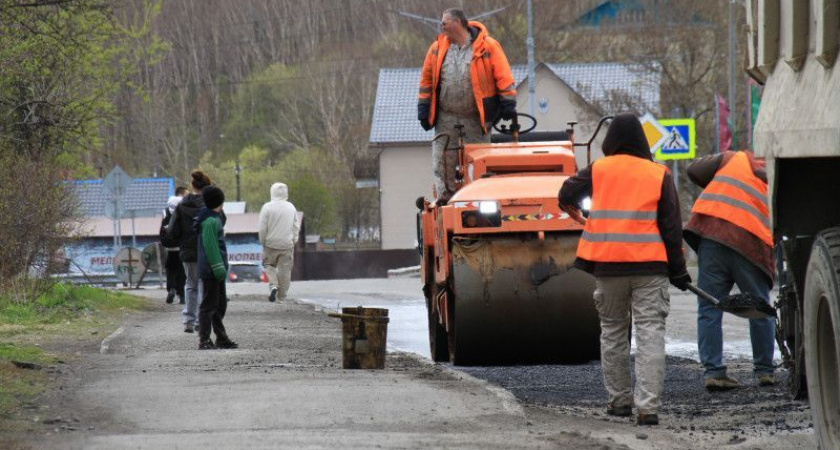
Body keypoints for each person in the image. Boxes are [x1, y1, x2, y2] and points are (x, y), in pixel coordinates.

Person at [558, 114, 691, 426]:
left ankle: (619, 402)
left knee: (614, 333)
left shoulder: (599, 170)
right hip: (650, 269)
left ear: (610, 141)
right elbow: (671, 228)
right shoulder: (658, 173)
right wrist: (679, 271)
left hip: (608, 268)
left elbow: (565, 195)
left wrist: (586, 216)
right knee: (650, 334)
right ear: (643, 142)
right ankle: (648, 408)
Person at [684, 150, 775, 390]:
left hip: (713, 235)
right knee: (760, 307)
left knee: (709, 307)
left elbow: (693, 169)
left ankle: (714, 372)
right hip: (751, 243)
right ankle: (765, 371)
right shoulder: (779, 172)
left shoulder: (735, 158)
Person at [417, 8, 516, 203]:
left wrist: (508, 102)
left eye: (445, 22)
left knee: (479, 160)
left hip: (476, 116)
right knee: (442, 159)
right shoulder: (437, 49)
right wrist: (423, 107)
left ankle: (479, 197)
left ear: (458, 23)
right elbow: (426, 81)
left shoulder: (488, 46)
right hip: (446, 115)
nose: (441, 26)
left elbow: (503, 75)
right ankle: (446, 198)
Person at [167, 171, 213, 333]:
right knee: (203, 284)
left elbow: (172, 231)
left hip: (187, 251)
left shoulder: (181, 205)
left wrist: (182, 239)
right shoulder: (210, 205)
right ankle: (202, 319)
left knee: (190, 284)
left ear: (192, 186)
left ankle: (188, 320)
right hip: (206, 250)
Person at [194, 185, 237, 350]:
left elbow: (222, 218)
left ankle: (221, 337)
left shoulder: (212, 217)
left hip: (215, 269)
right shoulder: (210, 221)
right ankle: (204, 339)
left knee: (219, 305)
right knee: (209, 305)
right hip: (212, 269)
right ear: (220, 201)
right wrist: (218, 267)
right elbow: (211, 246)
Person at [258, 182, 300, 303]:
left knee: (268, 264)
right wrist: (294, 240)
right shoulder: (291, 207)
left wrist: (263, 241)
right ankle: (281, 298)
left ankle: (274, 285)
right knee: (285, 271)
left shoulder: (267, 207)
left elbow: (262, 227)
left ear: (272, 192)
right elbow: (295, 226)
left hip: (270, 244)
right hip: (286, 245)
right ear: (286, 193)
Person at [160, 187, 188, 304]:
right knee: (181, 271)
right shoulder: (183, 209)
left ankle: (171, 288)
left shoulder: (166, 210)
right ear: (180, 195)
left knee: (170, 269)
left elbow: (162, 229)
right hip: (181, 246)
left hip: (169, 247)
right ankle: (181, 295)